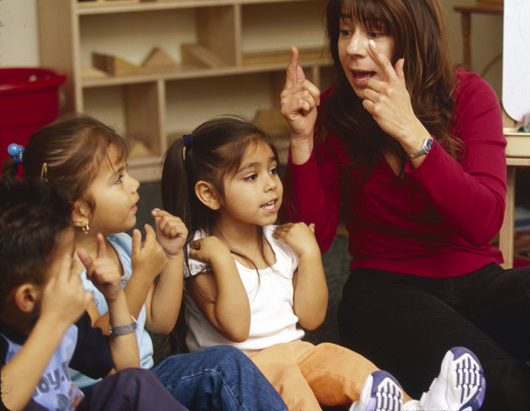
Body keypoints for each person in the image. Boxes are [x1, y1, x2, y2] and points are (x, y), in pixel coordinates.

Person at [279, 0, 530, 410]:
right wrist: (302, 141)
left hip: (477, 281)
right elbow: (314, 239)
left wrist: (413, 135)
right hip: (384, 294)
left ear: (411, 33)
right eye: (345, 31)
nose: (354, 48)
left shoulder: (471, 96)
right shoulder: (334, 113)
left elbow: (483, 222)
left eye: (374, 31)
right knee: (503, 382)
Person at [160, 116, 486, 411]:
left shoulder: (281, 238)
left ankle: (414, 408)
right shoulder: (199, 252)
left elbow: (311, 318)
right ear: (209, 194)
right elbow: (236, 327)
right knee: (286, 374)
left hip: (294, 352)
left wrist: (310, 254)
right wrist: (223, 260)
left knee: (340, 360)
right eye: (251, 176)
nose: (271, 183)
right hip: (241, 376)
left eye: (273, 170)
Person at [10, 115, 288, 411]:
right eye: (118, 179)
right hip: (100, 391)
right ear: (79, 211)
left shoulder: (121, 246)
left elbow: (161, 320)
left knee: (225, 361)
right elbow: (97, 343)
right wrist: (141, 276)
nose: (134, 183)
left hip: (146, 377)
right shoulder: (64, 273)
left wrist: (169, 255)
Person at [0, 177, 185, 411]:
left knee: (134, 384)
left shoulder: (71, 322)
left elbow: (128, 371)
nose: (78, 269)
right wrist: (54, 321)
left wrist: (115, 298)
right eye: (68, 264)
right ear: (27, 297)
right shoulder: (51, 320)